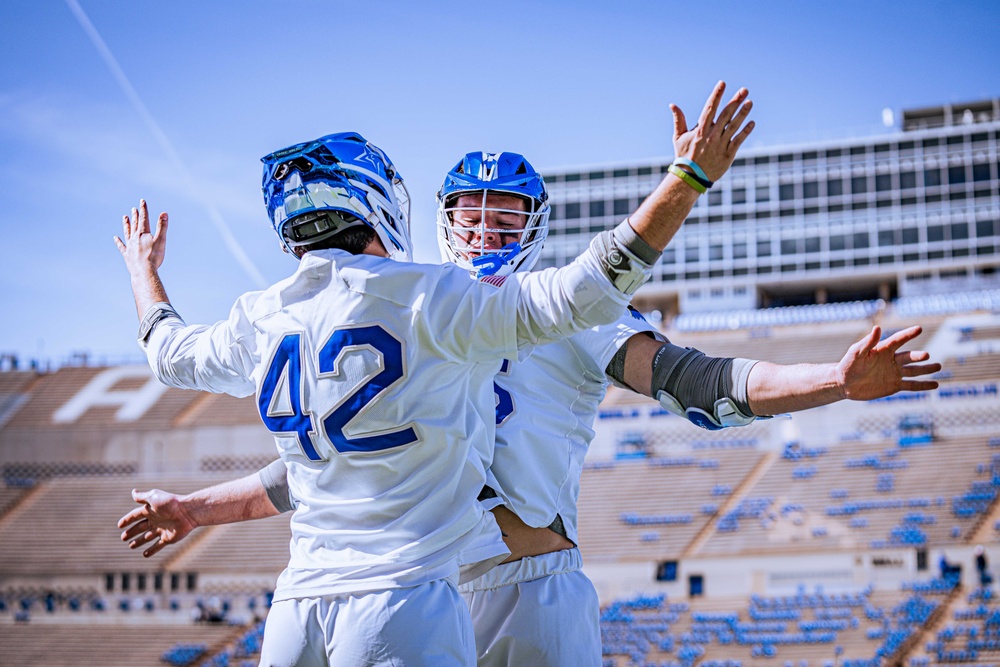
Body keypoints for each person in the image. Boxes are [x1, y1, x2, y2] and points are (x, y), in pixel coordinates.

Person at [120, 84, 942, 666]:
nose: (482, 230)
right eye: (467, 214)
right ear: (436, 221)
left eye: (503, 214)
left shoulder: (557, 317)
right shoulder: (416, 309)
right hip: (424, 587)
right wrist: (197, 508)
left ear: (533, 223)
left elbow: (701, 381)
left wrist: (833, 381)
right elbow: (318, 470)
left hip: (522, 591)